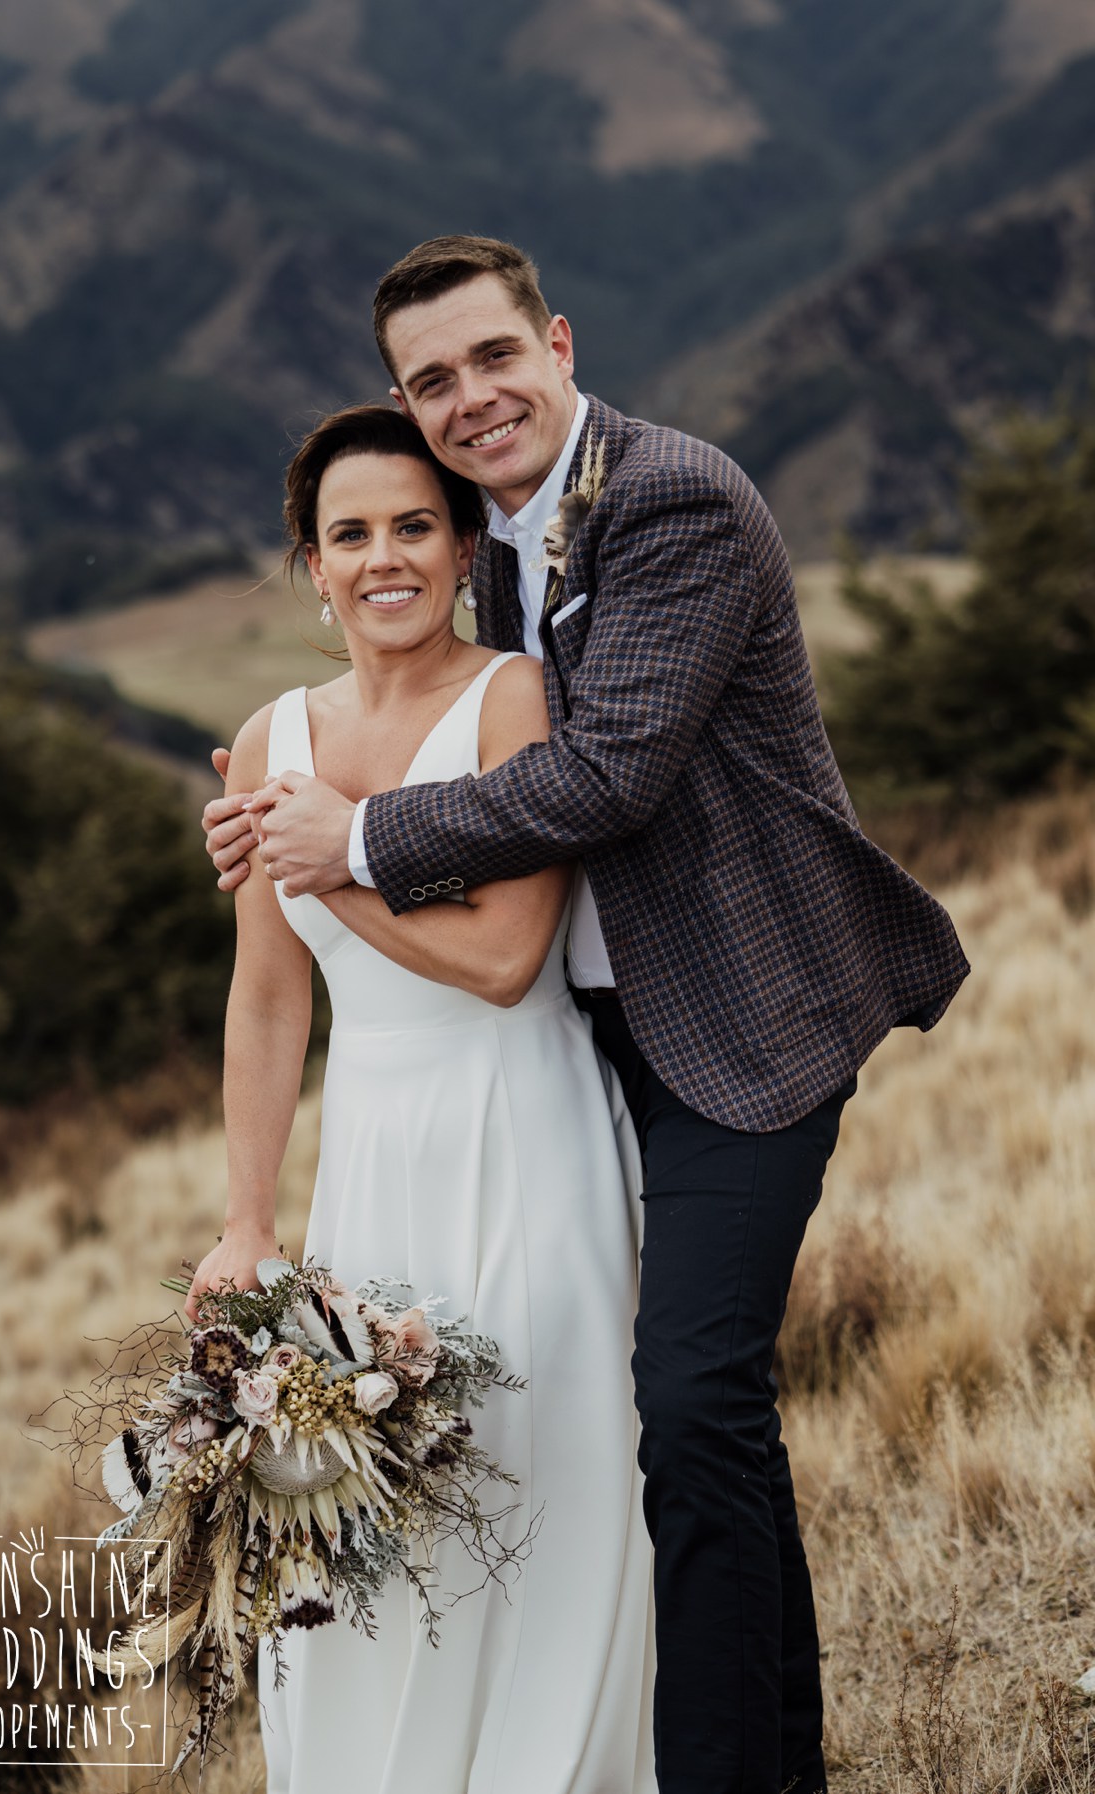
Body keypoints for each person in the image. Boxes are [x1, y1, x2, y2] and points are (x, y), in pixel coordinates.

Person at [205, 235, 971, 1794]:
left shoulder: (675, 497)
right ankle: (772, 1754)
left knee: (687, 1401)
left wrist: (339, 842)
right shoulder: (486, 543)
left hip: (741, 1021)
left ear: (557, 341)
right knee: (708, 1434)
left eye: (495, 357)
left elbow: (603, 775)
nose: (471, 397)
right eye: (433, 382)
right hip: (588, 1040)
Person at [186, 402, 656, 1793]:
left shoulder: (512, 697)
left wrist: (337, 865)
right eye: (351, 534)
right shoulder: (271, 735)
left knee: (548, 1482)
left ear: (462, 548)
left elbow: (510, 959)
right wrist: (249, 1225)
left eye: (414, 526)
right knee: (367, 1504)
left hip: (531, 1138)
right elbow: (271, 1000)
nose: (385, 556)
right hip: (374, 1162)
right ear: (311, 566)